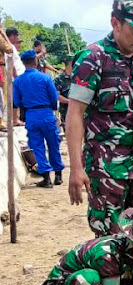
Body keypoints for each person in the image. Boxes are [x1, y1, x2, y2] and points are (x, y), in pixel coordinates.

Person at [66, 0, 133, 238]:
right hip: (106, 171)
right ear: (115, 23)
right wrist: (76, 167)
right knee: (110, 241)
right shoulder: (92, 59)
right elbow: (75, 113)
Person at [13, 50, 64, 188]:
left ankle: (46, 178)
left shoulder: (18, 81)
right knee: (53, 144)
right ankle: (58, 175)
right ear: (36, 61)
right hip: (47, 113)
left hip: (31, 116)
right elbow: (54, 98)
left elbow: (17, 101)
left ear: (23, 63)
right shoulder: (46, 78)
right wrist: (53, 109)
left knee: (37, 147)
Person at [5, 27, 25, 126]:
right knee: (15, 98)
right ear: (12, 35)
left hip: (17, 76)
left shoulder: (11, 46)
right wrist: (16, 75)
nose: (17, 38)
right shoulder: (8, 46)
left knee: (16, 98)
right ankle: (15, 119)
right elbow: (11, 62)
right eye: (17, 35)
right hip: (14, 77)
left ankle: (15, 119)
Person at [54, 55, 73, 131]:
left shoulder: (78, 77)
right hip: (66, 111)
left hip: (80, 110)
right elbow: (56, 95)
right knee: (69, 131)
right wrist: (69, 101)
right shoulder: (59, 79)